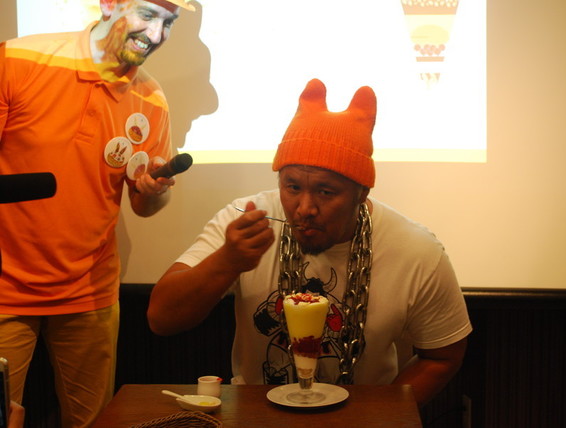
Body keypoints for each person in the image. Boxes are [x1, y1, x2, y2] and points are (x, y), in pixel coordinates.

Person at [148, 78, 472, 406]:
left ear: (362, 192)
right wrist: (226, 262)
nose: (304, 208)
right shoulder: (245, 220)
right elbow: (162, 318)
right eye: (292, 187)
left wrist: (381, 416)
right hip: (257, 412)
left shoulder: (415, 249)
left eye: (325, 191)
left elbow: (443, 356)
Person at [0, 0, 195, 426]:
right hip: (4, 291)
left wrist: (153, 190)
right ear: (109, 4)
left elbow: (143, 205)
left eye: (169, 22)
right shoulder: (16, 59)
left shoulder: (151, 99)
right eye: (147, 14)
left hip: (90, 295)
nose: (156, 34)